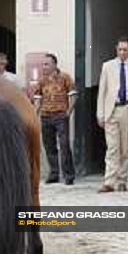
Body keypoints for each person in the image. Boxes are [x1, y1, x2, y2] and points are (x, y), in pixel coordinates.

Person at [96, 37, 128, 193]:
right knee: (112, 147)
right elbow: (102, 91)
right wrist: (100, 114)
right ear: (116, 49)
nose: (122, 52)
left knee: (125, 147)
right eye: (120, 49)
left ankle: (122, 180)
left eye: (125, 49)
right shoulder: (107, 66)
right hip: (111, 109)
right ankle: (109, 181)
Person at [33, 53, 77, 185]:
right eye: (43, 64)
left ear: (54, 64)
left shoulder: (65, 78)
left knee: (64, 145)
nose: (44, 67)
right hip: (45, 116)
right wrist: (35, 114)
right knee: (49, 146)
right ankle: (54, 174)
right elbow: (37, 99)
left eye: (47, 64)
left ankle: (69, 175)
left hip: (60, 116)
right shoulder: (41, 80)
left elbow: (73, 95)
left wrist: (68, 112)